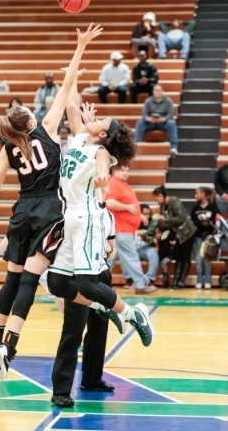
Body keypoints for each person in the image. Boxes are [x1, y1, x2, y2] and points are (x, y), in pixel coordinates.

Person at [0, 23, 103, 382]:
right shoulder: (46, 128)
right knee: (29, 282)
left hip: (21, 210)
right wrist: (80, 47)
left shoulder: (8, 147)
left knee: (11, 278)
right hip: (49, 210)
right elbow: (66, 88)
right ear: (31, 120)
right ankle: (10, 347)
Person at [47, 72, 155, 356]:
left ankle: (133, 314)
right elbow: (71, 100)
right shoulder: (81, 137)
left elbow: (104, 165)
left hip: (87, 218)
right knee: (56, 283)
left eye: (102, 121)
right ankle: (106, 307)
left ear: (104, 135)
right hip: (68, 216)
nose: (96, 118)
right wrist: (77, 60)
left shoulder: (100, 152)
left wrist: (102, 177)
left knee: (86, 282)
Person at [51, 209, 117, 408]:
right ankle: (61, 390)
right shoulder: (70, 211)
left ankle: (92, 379)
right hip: (76, 276)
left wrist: (104, 246)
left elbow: (112, 251)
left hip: (101, 275)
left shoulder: (108, 215)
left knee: (99, 329)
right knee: (73, 330)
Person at [105, 166, 157, 294]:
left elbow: (130, 204)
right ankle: (140, 285)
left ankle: (99, 284)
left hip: (122, 229)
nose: (126, 173)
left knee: (110, 259)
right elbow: (110, 202)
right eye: (123, 170)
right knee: (131, 256)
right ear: (115, 171)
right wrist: (128, 208)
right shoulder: (114, 183)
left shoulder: (123, 184)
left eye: (128, 170)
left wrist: (138, 214)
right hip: (120, 229)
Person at [152, 186, 196, 289]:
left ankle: (181, 281)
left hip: (187, 232)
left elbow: (180, 218)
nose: (158, 199)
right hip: (178, 235)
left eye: (159, 196)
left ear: (163, 194)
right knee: (179, 257)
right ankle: (175, 281)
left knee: (186, 257)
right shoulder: (163, 206)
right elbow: (169, 223)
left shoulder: (174, 201)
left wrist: (165, 219)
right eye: (156, 198)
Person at [135, 83, 178, 155]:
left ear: (162, 91)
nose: (157, 92)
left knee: (172, 123)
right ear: (153, 91)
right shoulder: (148, 101)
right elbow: (144, 114)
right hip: (151, 122)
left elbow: (170, 114)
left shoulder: (168, 101)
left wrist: (164, 119)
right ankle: (137, 147)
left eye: (159, 90)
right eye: (155, 90)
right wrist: (148, 119)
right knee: (139, 123)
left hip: (163, 122)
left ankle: (173, 147)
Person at [191, 187, 217, 289]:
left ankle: (207, 281)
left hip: (209, 237)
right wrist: (202, 223)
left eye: (197, 194)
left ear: (203, 194)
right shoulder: (195, 207)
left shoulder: (212, 207)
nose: (195, 196)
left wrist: (209, 222)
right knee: (198, 259)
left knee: (207, 259)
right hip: (198, 236)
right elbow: (193, 221)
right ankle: (199, 281)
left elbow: (215, 220)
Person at [136, 204, 159, 285]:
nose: (147, 216)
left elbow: (156, 239)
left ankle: (150, 279)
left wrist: (146, 237)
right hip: (133, 248)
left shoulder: (153, 223)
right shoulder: (133, 222)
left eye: (148, 214)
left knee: (154, 253)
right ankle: (129, 280)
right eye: (144, 214)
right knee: (124, 254)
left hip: (147, 248)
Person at [154, 221, 176, 288]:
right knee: (162, 262)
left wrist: (158, 250)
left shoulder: (165, 237)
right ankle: (165, 279)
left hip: (170, 255)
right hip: (165, 255)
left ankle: (166, 279)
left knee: (163, 263)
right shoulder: (161, 236)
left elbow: (166, 249)